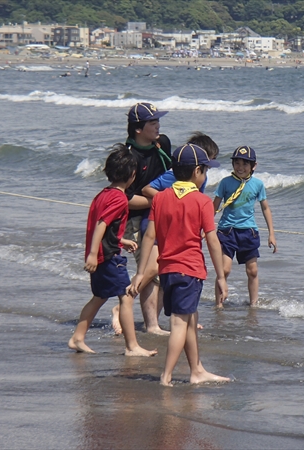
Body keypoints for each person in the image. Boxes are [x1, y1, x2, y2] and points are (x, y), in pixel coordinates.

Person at [130, 143, 230, 386]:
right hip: (190, 271)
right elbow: (213, 241)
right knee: (179, 324)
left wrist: (141, 272)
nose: (205, 176)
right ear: (197, 171)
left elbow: (150, 238)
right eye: (205, 171)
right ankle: (166, 376)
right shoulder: (202, 201)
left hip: (167, 270)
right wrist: (221, 276)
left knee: (190, 319)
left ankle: (197, 370)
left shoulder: (160, 198)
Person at [111, 132, 219, 335]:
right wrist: (170, 201)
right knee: (152, 270)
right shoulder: (174, 175)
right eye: (208, 161)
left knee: (162, 274)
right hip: (154, 225)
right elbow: (147, 189)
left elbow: (195, 203)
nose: (209, 166)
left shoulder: (200, 179)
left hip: (172, 230)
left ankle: (180, 317)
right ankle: (123, 304)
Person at [68, 144, 158, 357]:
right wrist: (93, 254)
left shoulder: (103, 194)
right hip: (108, 258)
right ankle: (132, 346)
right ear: (132, 175)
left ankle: (77, 337)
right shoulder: (119, 198)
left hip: (102, 253)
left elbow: (105, 226)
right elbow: (101, 223)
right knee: (126, 297)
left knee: (99, 297)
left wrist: (121, 240)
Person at [122, 102, 172, 335]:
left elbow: (174, 176)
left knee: (162, 271)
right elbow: (125, 198)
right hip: (137, 220)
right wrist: (159, 200)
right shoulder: (129, 157)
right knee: (151, 271)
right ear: (138, 129)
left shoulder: (163, 146)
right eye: (152, 122)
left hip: (163, 217)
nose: (158, 126)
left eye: (158, 121)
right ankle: (137, 315)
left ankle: (150, 320)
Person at [212, 146, 277, 308]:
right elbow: (214, 206)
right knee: (225, 270)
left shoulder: (258, 184)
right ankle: (218, 305)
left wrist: (271, 233)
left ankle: (253, 304)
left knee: (252, 271)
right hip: (227, 231)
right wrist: (203, 228)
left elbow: (265, 208)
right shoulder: (225, 183)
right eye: (237, 163)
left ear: (253, 166)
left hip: (249, 232)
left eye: (245, 164)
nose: (240, 168)